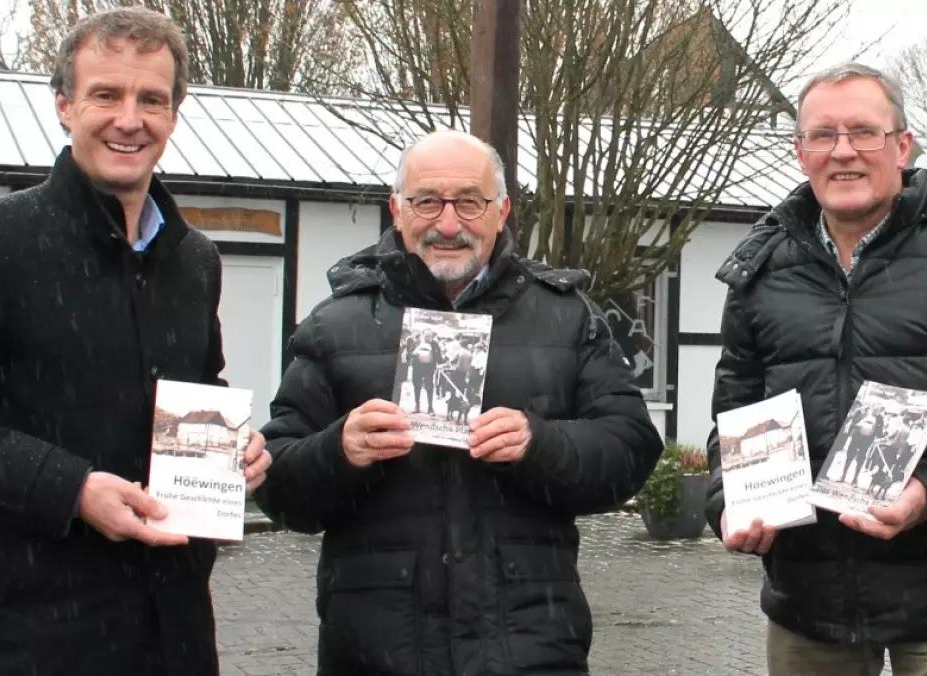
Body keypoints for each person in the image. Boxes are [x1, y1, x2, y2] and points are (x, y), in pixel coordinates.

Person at [0, 8, 270, 676]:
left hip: (175, 639)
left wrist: (234, 448)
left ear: (174, 114)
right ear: (63, 105)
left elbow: (197, 390)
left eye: (151, 100)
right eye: (106, 94)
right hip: (30, 644)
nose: (129, 120)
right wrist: (72, 487)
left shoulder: (194, 260)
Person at [254, 129, 662, 675]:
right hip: (376, 655)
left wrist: (540, 443)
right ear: (396, 210)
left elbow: (632, 448)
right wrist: (339, 450)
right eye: (427, 201)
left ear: (502, 212)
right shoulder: (336, 324)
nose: (448, 225)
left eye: (470, 202)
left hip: (530, 651)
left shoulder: (565, 316)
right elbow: (276, 484)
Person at [706, 62, 927, 675]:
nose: (843, 152)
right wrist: (728, 500)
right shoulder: (762, 269)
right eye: (822, 135)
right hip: (808, 604)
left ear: (903, 145)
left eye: (864, 132)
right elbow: (733, 416)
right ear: (800, 152)